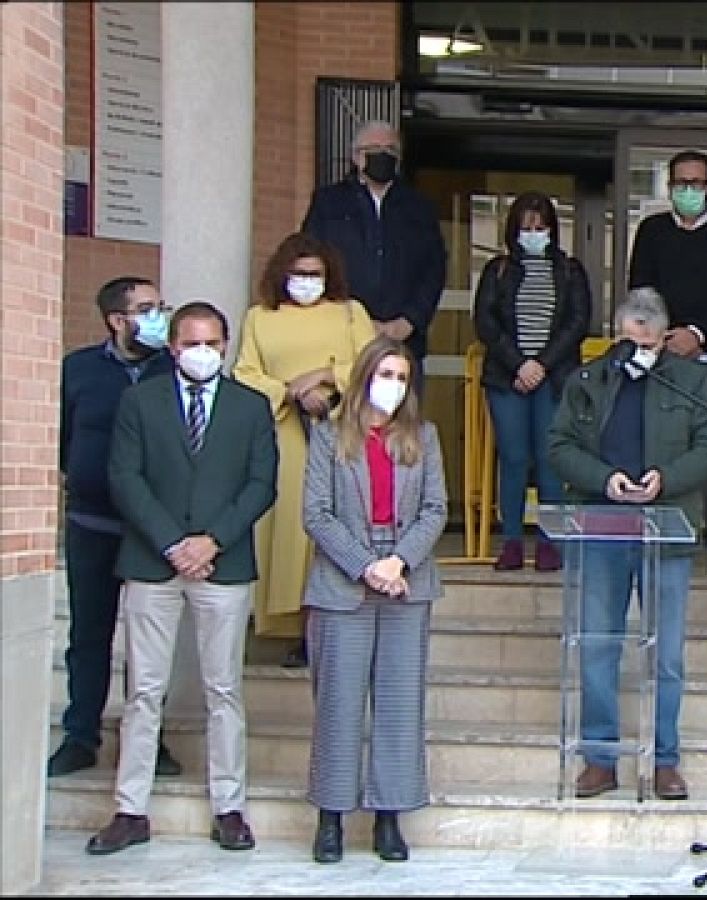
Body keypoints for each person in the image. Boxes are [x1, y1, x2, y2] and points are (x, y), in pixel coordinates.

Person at [88, 302, 278, 856]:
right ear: (172, 346)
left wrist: (212, 540)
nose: (204, 353)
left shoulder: (250, 406)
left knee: (225, 689)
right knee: (144, 690)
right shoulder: (139, 401)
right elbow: (125, 478)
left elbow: (261, 483)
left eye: (214, 343)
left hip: (224, 562)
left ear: (225, 346)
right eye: (193, 343)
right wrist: (173, 543)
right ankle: (130, 808)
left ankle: (229, 806)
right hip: (153, 562)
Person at [548, 288, 707, 801]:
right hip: (601, 528)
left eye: (647, 341)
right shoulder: (587, 381)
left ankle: (664, 759)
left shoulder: (690, 381)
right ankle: (599, 758)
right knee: (597, 646)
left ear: (665, 338)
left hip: (664, 531)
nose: (637, 350)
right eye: (629, 340)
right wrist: (606, 480)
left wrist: (664, 479)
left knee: (666, 654)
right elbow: (559, 446)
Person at [301, 337, 447, 865]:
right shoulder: (327, 438)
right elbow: (316, 514)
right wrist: (365, 566)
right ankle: (331, 817)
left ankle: (390, 817)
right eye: (385, 374)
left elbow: (435, 509)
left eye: (402, 377)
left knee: (398, 702)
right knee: (338, 701)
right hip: (345, 578)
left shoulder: (423, 437)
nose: (394, 385)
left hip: (405, 577)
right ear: (364, 376)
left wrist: (398, 562)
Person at [51, 278, 183, 779]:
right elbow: (63, 437)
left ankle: (150, 739)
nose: (159, 317)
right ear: (116, 320)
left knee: (150, 641)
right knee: (89, 633)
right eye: (148, 309)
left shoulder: (172, 369)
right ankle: (81, 734)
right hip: (92, 522)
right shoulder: (79, 369)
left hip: (154, 527)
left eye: (161, 308)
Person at [234, 233, 377, 667]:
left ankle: (336, 623)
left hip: (341, 430)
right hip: (284, 433)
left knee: (338, 521)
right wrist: (290, 392)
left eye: (315, 274)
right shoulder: (260, 318)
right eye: (298, 274)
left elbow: (375, 363)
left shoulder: (351, 314)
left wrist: (325, 376)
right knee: (291, 528)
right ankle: (296, 627)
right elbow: (246, 373)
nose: (306, 282)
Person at [628, 150, 707, 577]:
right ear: (669, 187)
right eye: (680, 183)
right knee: (662, 444)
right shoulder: (652, 231)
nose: (688, 191)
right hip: (659, 355)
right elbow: (640, 291)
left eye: (696, 183)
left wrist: (696, 333)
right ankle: (664, 534)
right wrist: (662, 335)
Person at [473, 191, 592, 572]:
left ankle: (549, 542)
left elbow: (577, 323)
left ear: (553, 230)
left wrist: (541, 363)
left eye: (541, 227)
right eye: (526, 228)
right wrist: (519, 364)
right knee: (513, 458)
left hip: (554, 379)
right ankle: (510, 541)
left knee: (550, 460)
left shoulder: (571, 270)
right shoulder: (499, 270)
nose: (534, 234)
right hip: (507, 380)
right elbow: (486, 322)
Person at [301, 119, 447, 371]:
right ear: (357, 157)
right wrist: (348, 317)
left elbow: (434, 269)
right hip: (342, 337)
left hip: (403, 341)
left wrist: (409, 321)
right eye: (375, 149)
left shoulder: (419, 207)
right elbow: (310, 259)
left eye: (391, 150)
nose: (384, 155)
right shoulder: (329, 202)